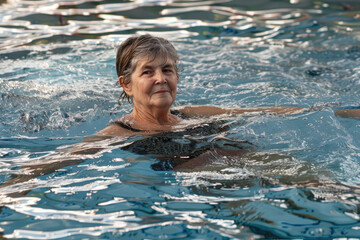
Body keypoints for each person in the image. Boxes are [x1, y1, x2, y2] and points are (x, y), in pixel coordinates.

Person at [98, 34, 305, 137]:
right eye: (147, 72)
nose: (161, 79)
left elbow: (259, 112)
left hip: (244, 163)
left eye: (167, 70)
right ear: (126, 85)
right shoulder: (122, 132)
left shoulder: (192, 114)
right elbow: (71, 155)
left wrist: (318, 110)